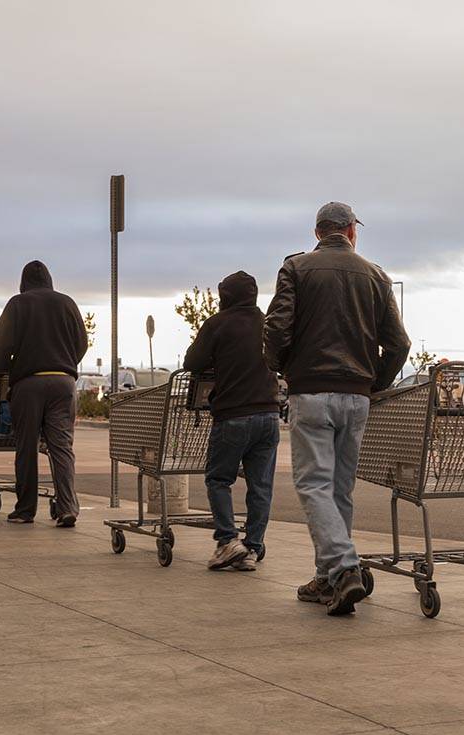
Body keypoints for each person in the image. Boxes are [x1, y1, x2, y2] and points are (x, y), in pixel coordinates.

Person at [265, 202, 410, 616]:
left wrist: (279, 366)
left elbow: (277, 327)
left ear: (317, 233)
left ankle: (344, 569)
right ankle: (329, 578)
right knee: (339, 489)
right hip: (357, 395)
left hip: (311, 391)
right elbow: (399, 344)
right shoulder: (376, 275)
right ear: (350, 232)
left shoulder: (296, 269)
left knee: (314, 485)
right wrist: (375, 382)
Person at [183, 271, 280, 572]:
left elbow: (192, 363)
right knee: (261, 485)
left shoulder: (217, 324)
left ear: (225, 296)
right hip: (269, 415)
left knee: (218, 479)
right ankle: (252, 548)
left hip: (233, 415)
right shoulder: (268, 323)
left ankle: (228, 541)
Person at [0, 261, 87, 526]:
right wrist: (65, 363)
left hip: (29, 384)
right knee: (62, 448)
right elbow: (82, 343)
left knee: (27, 447)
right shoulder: (67, 303)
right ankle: (67, 508)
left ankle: (25, 510)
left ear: (24, 281)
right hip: (64, 382)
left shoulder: (18, 304)